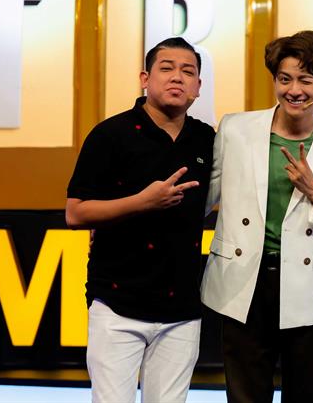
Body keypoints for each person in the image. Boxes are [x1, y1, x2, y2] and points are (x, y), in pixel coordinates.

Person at [200, 30, 313, 403]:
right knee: (245, 396)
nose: (294, 90)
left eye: (306, 80)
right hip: (242, 281)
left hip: (307, 288)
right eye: (285, 79)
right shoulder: (235, 129)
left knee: (305, 395)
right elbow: (204, 200)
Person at [66, 37, 214, 403]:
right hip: (117, 304)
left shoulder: (207, 139)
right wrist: (143, 202)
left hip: (182, 309)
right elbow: (76, 212)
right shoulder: (110, 135)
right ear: (145, 79)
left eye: (188, 71)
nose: (177, 77)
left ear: (198, 87)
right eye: (166, 68)